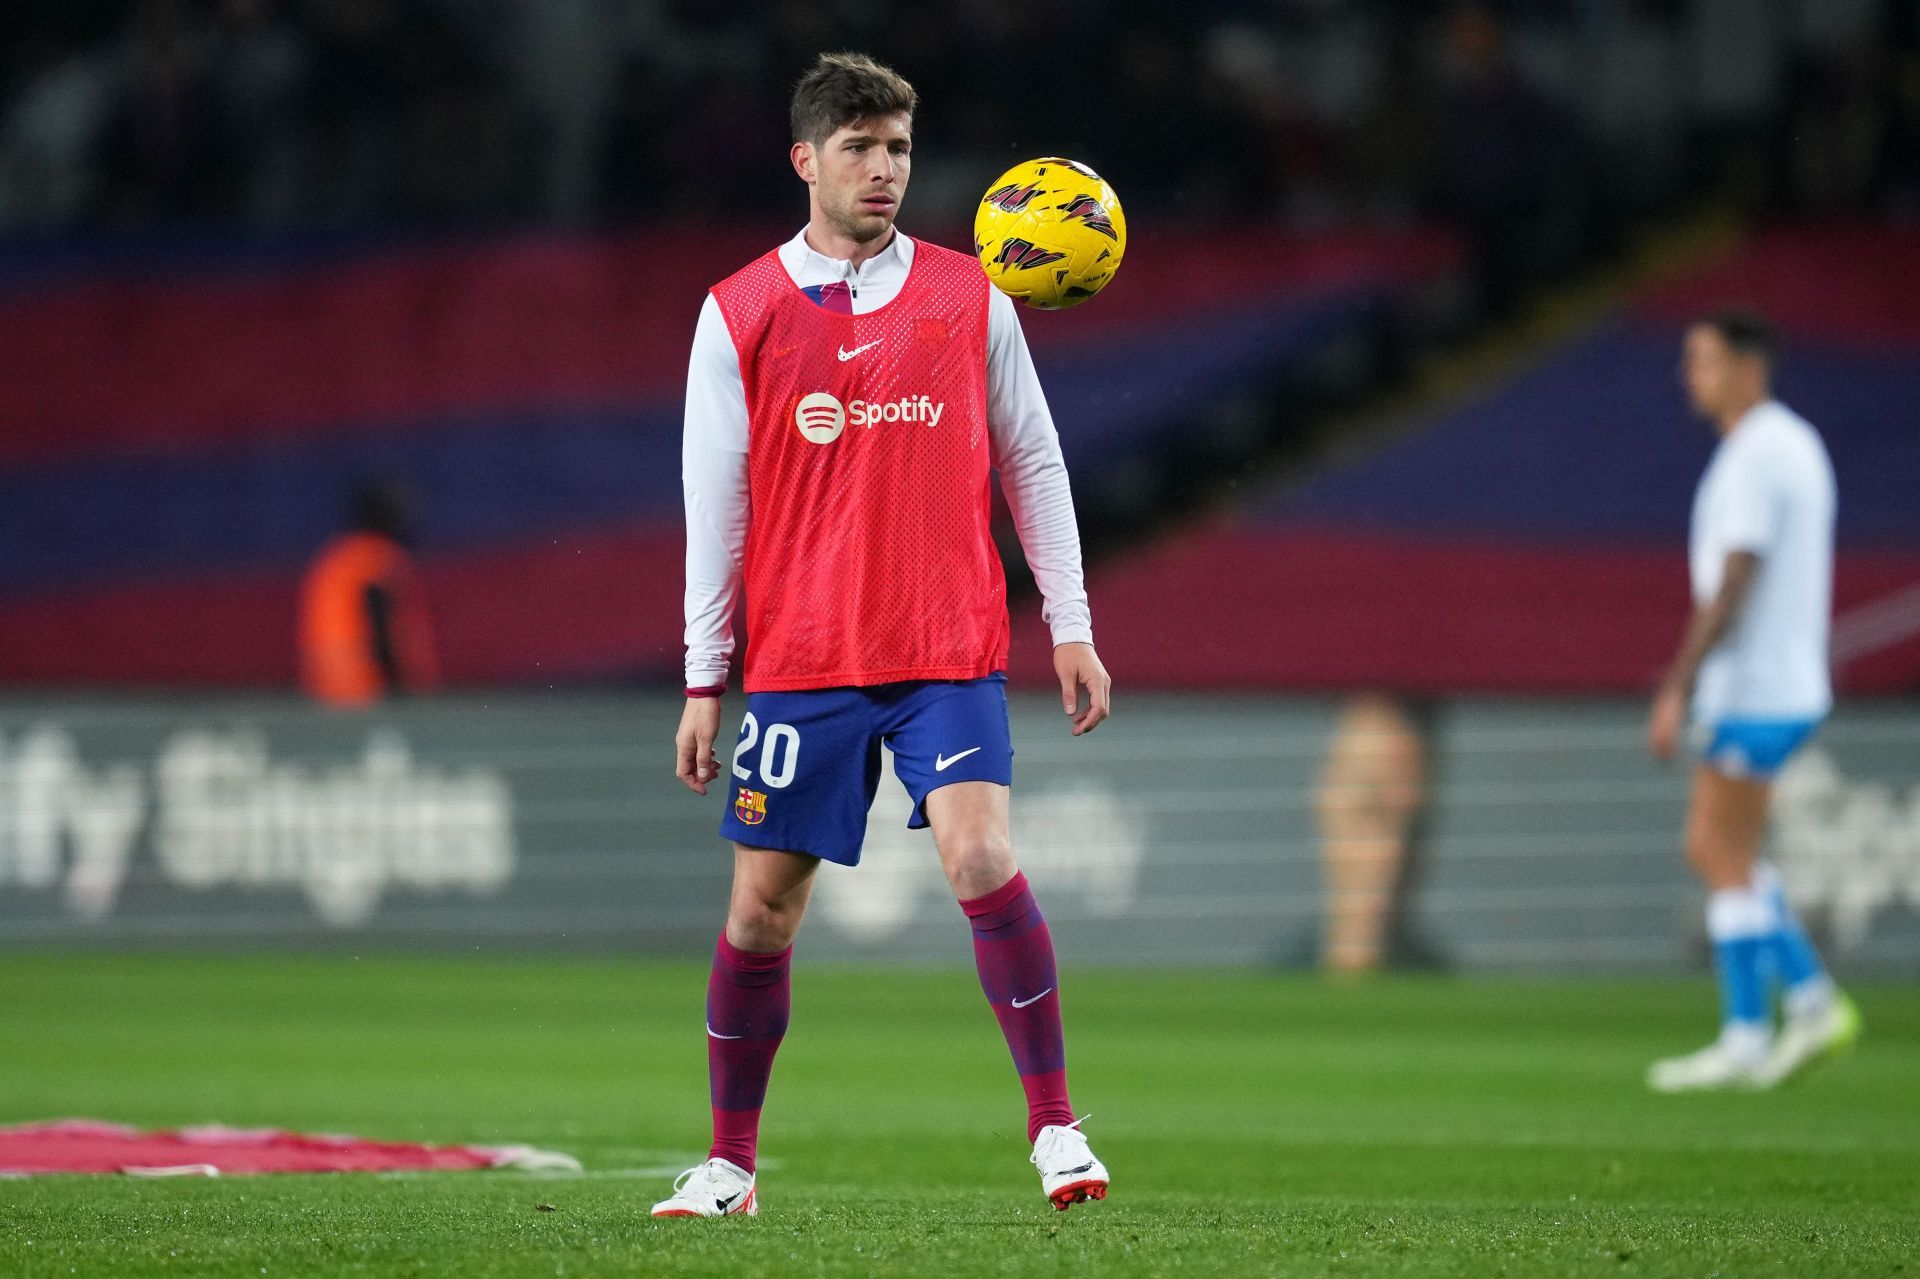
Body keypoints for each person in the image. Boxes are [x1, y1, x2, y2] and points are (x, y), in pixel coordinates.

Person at [653, 53, 1113, 1218]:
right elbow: (717, 506)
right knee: (762, 910)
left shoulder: (972, 297)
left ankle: (1057, 1130)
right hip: (803, 663)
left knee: (979, 856)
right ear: (806, 160)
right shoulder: (738, 311)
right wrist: (707, 676)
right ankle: (730, 1165)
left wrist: (1070, 622)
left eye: (899, 148)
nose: (884, 169)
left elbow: (1035, 461)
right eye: (860, 148)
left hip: (946, 646)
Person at [1644, 310, 1861, 1092]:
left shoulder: (1755, 455)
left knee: (1719, 848)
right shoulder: (1793, 444)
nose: (1689, 376)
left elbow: (1736, 576)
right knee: (1716, 849)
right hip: (1787, 678)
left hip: (1758, 685)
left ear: (1748, 364)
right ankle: (1787, 1011)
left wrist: (1678, 681)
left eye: (1702, 359)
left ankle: (1784, 1015)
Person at [299, 479, 438, 708]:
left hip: (324, 691)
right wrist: (402, 691)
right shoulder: (376, 557)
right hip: (367, 692)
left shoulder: (335, 557)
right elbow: (380, 624)